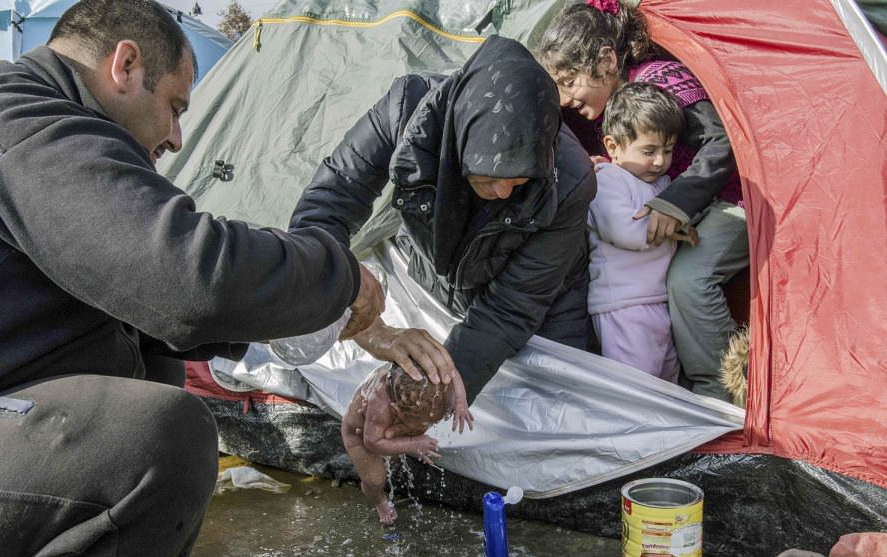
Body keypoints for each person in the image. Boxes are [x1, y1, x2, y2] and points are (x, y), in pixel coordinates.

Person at [0, 1, 384, 557]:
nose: (176, 138)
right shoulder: (23, 126)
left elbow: (154, 309)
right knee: (157, 440)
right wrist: (339, 276)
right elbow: (186, 278)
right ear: (125, 65)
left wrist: (299, 323)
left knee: (150, 365)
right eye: (174, 106)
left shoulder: (22, 122)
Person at [289, 35, 597, 408]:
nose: (502, 192)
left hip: (544, 302)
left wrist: (436, 394)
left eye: (519, 181)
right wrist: (328, 295)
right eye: (488, 177)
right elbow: (332, 198)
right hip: (438, 277)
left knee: (555, 407)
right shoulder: (406, 111)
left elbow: (510, 309)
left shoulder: (570, 179)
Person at [537, 0, 749, 402]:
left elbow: (722, 142)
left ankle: (723, 391)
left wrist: (674, 203)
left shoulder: (659, 81)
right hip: (684, 222)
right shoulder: (602, 114)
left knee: (689, 279)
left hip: (730, 198)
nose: (564, 98)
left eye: (569, 80)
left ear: (606, 61)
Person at [587, 82, 692, 382]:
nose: (660, 161)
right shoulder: (607, 179)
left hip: (658, 301)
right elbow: (622, 230)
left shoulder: (662, 185)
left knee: (667, 382)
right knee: (636, 388)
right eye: (649, 151)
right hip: (624, 305)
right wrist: (673, 226)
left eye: (667, 151)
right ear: (613, 147)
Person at [342, 364, 473, 524]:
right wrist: (412, 443)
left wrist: (460, 401)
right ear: (396, 412)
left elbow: (451, 371)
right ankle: (379, 500)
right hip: (360, 435)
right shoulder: (379, 406)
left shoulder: (431, 372)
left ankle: (398, 440)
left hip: (384, 429)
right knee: (375, 480)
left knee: (393, 440)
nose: (428, 427)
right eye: (425, 424)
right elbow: (372, 442)